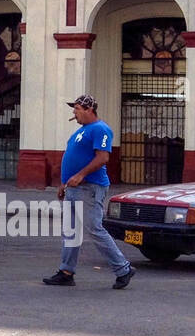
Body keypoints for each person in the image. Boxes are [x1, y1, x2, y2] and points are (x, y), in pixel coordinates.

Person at [43, 95, 136, 289]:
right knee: (71, 230)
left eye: (76, 108)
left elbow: (102, 158)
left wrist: (80, 175)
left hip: (90, 188)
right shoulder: (82, 131)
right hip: (75, 188)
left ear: (89, 109)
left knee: (94, 228)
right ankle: (66, 272)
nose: (74, 112)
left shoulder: (101, 129)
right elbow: (73, 158)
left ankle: (123, 268)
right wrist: (64, 183)